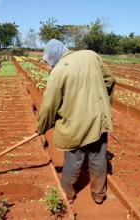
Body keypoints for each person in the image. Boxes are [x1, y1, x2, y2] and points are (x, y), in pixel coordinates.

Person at [36, 39, 116, 205]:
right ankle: (99, 194)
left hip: (75, 123)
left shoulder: (57, 72)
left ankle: (68, 194)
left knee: (74, 158)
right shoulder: (91, 55)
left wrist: (42, 128)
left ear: (54, 57)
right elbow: (109, 80)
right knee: (98, 157)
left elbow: (50, 105)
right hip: (98, 119)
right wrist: (101, 102)